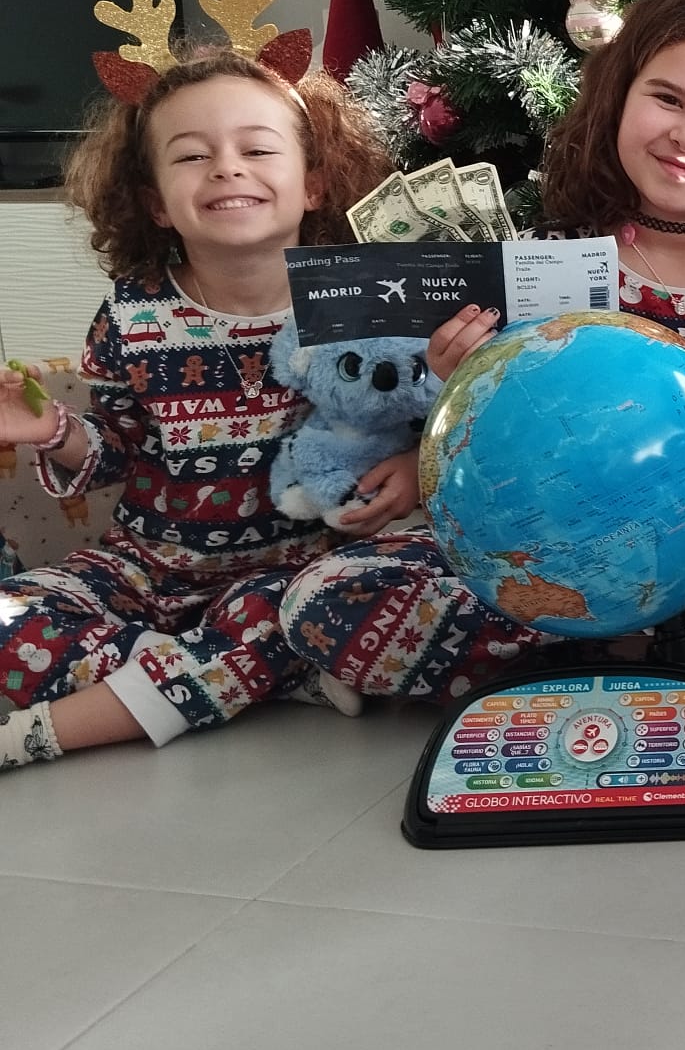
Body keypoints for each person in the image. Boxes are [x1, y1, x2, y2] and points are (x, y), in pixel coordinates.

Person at [281, 0, 685, 699]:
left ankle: (610, 644)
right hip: (546, 552)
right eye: (668, 99)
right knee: (324, 596)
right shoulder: (543, 258)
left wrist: (680, 531)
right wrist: (448, 380)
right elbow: (482, 447)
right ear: (619, 95)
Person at [0, 49, 406, 771]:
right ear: (155, 200)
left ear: (313, 182)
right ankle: (235, 673)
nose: (226, 167)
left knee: (322, 612)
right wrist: (51, 431)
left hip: (296, 578)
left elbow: (402, 424)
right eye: (192, 156)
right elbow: (115, 447)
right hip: (145, 569)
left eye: (256, 148)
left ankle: (63, 724)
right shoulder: (131, 310)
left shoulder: (359, 302)